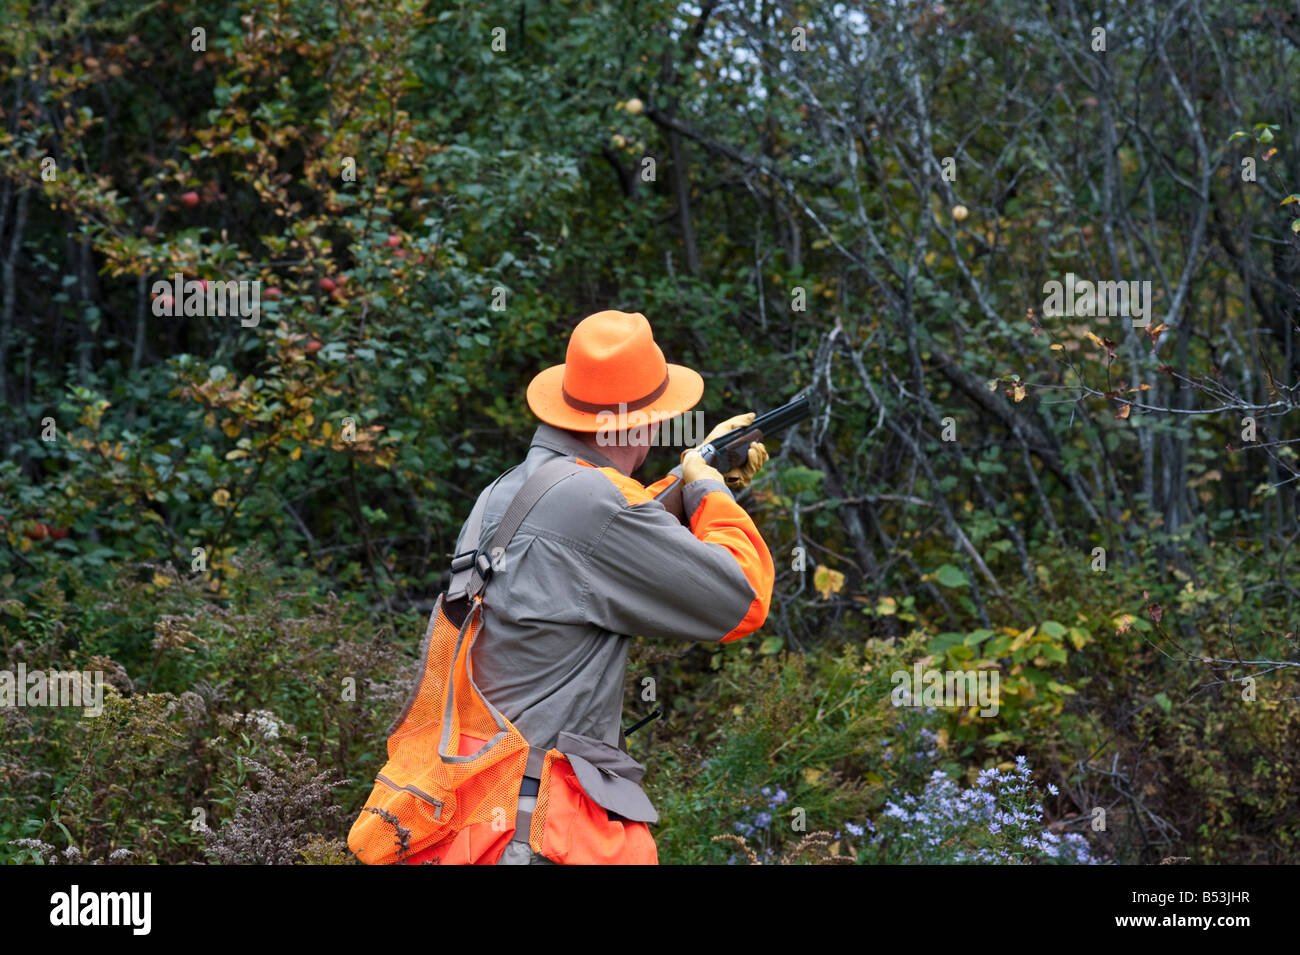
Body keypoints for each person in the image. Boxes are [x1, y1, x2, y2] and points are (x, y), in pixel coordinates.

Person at [434, 309, 775, 865]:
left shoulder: (510, 489)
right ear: (636, 425)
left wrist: (690, 479)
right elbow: (741, 601)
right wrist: (712, 495)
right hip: (537, 834)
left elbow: (609, 530)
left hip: (475, 820)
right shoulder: (594, 505)